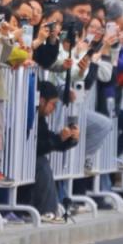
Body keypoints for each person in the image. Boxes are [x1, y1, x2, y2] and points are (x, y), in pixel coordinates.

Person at [31, 80, 80, 222]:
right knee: (42, 163)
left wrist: (69, 139)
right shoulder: (30, 115)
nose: (54, 109)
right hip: (20, 162)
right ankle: (47, 211)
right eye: (53, 104)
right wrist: (58, 139)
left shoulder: (40, 118)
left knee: (43, 163)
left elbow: (48, 139)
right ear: (41, 101)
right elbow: (37, 146)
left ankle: (50, 209)